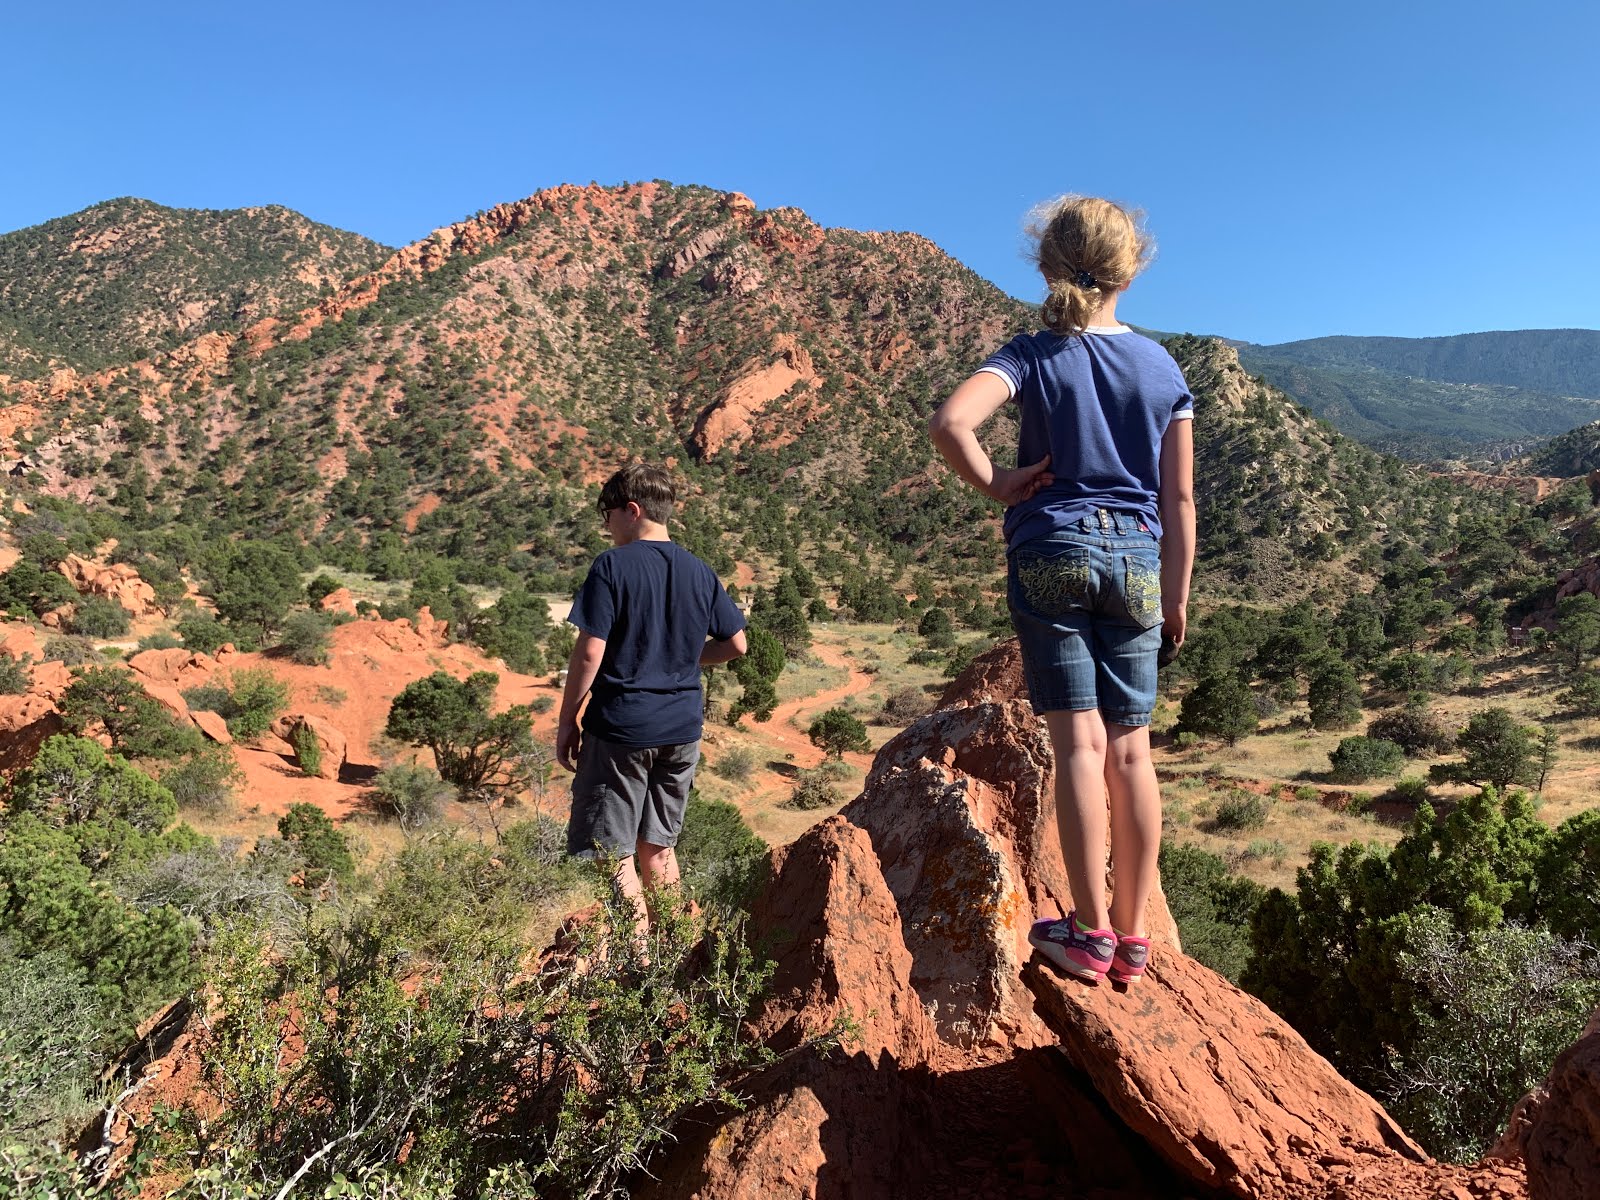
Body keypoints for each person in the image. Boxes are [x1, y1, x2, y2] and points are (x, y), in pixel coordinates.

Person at [928, 195, 1195, 985]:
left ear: (1048, 266)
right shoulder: (1162, 368)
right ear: (1131, 268)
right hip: (1140, 565)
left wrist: (1001, 482)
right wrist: (1175, 594)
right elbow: (1178, 500)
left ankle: (1087, 933)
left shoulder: (1033, 354)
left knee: (1077, 746)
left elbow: (950, 423)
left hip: (1052, 550)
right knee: (1130, 752)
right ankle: (1135, 937)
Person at [557, 463, 748, 936]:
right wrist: (681, 660)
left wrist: (568, 720)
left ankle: (637, 958)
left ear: (632, 510)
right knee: (659, 846)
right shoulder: (699, 570)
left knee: (612, 849)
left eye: (609, 515)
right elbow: (736, 644)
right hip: (682, 730)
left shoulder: (611, 566)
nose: (607, 526)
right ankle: (674, 951)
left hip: (622, 728)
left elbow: (590, 652)